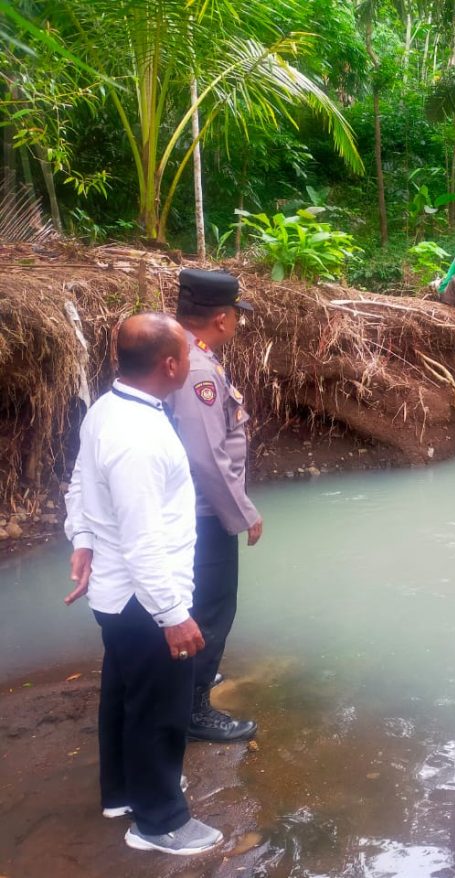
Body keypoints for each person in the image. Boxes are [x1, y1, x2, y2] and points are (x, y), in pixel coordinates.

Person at [63, 313, 223, 856]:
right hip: (143, 598)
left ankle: (124, 792)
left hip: (117, 594)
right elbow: (142, 539)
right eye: (187, 349)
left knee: (125, 695)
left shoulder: (108, 410)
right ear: (171, 364)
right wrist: (173, 614)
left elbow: (81, 483)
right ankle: (159, 822)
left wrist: (82, 536)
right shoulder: (137, 437)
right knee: (161, 707)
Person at [167, 268, 261, 743]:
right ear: (222, 319)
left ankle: (190, 684)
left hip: (191, 509)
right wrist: (241, 512)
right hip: (205, 513)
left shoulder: (180, 349)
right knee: (212, 608)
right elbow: (206, 455)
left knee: (196, 604)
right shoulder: (199, 368)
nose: (238, 324)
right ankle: (193, 707)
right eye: (236, 316)